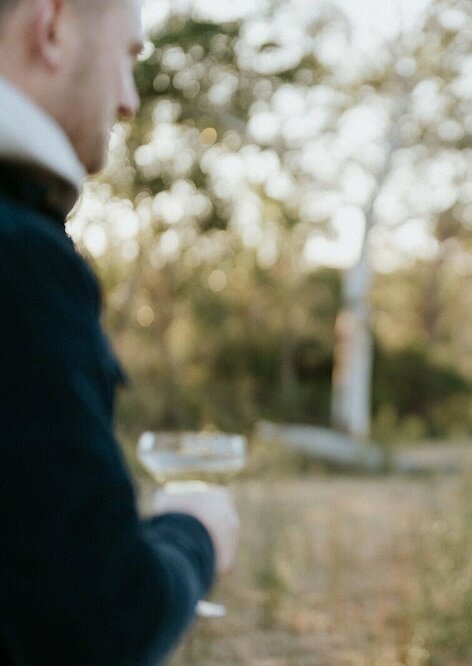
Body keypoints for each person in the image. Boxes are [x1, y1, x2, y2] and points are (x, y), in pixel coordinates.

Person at [0, 0, 239, 663]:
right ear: (51, 27)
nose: (130, 102)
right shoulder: (19, 258)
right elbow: (95, 623)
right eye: (128, 58)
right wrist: (196, 532)